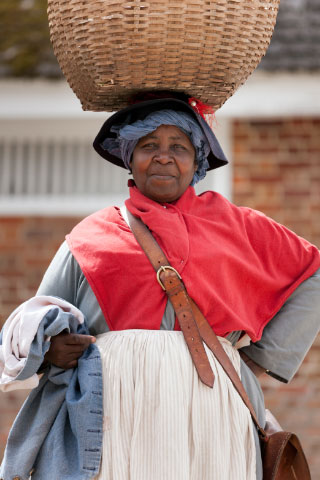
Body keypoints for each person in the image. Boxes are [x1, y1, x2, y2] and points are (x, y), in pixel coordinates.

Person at [1, 93, 320, 480]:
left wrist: (262, 357)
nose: (164, 156)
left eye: (179, 147)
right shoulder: (90, 236)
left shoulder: (240, 227)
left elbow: (312, 272)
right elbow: (42, 313)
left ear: (197, 161)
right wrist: (51, 350)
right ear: (130, 158)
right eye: (148, 145)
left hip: (214, 415)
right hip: (112, 416)